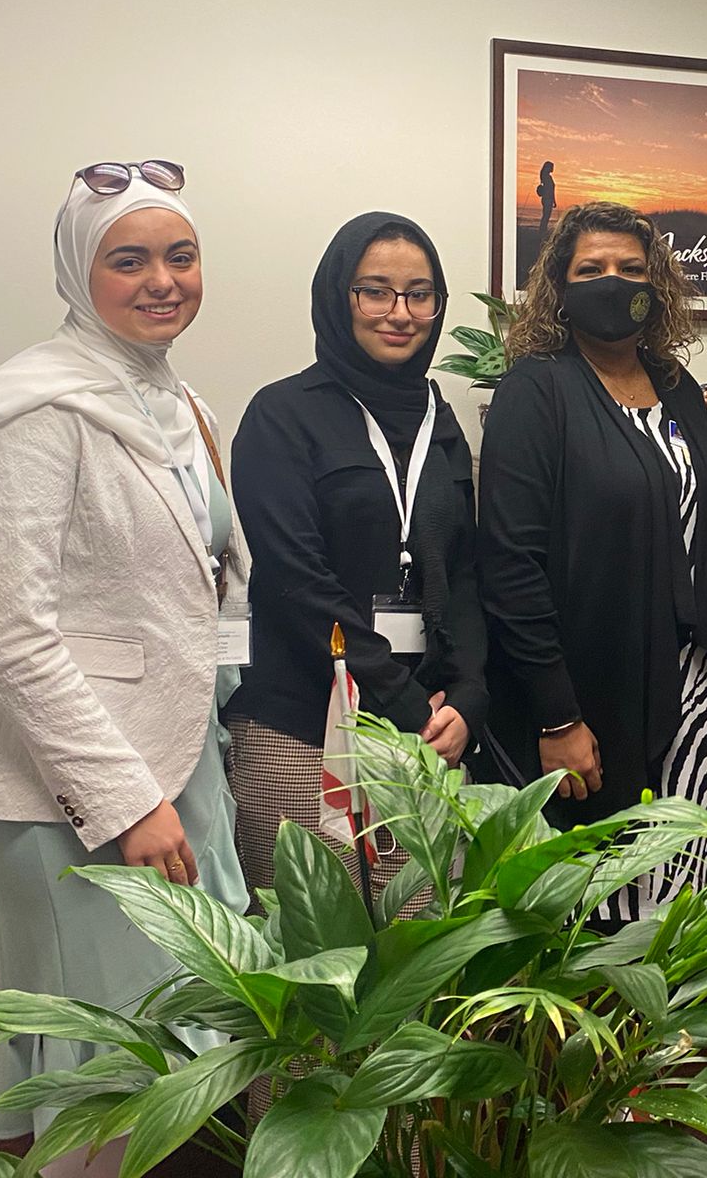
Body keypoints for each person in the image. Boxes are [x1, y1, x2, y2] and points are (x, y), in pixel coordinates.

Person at [0, 163, 248, 1153]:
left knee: (188, 1053)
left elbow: (212, 586)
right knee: (107, 1076)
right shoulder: (34, 410)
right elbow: (14, 637)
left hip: (190, 771)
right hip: (75, 801)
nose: (161, 280)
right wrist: (126, 800)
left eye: (179, 255)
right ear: (75, 273)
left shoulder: (186, 410)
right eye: (126, 260)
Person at [476, 201, 707, 912]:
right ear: (560, 291)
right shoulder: (536, 390)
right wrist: (557, 717)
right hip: (587, 697)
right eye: (590, 269)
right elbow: (510, 561)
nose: (612, 280)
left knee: (676, 886)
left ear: (656, 285)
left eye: (631, 269)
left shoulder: (678, 390)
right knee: (596, 904)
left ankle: (669, 1027)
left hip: (688, 688)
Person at [225, 212, 486, 901]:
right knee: (310, 974)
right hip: (302, 728)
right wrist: (400, 700)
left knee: (418, 967)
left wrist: (467, 696)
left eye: (419, 293)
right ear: (338, 296)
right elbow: (295, 580)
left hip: (423, 737)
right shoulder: (282, 415)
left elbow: (459, 572)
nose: (400, 313)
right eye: (375, 291)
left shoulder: (442, 419)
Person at [537, 160, 557, 236]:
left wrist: (554, 201)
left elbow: (551, 190)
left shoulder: (545, 176)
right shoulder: (547, 177)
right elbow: (551, 190)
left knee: (546, 216)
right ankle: (542, 231)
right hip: (547, 199)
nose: (553, 168)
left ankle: (542, 231)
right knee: (546, 216)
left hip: (547, 199)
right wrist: (553, 200)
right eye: (552, 167)